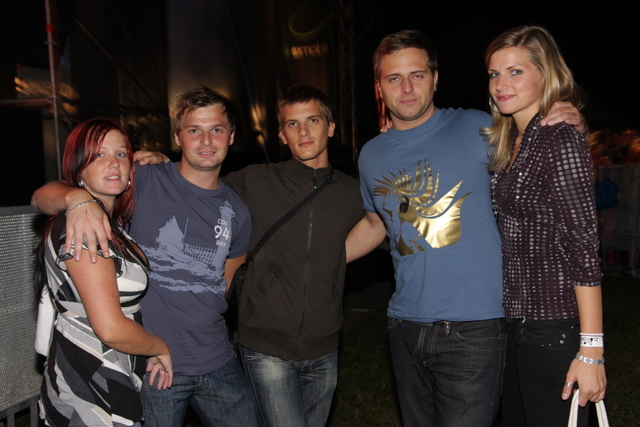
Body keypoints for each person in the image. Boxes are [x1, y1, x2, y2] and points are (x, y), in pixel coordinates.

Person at [344, 29, 587, 427]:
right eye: (394, 78)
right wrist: (320, 260)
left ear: (435, 79)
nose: (407, 88)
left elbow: (542, 151)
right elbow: (376, 224)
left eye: (417, 75)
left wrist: (569, 118)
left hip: (475, 327)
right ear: (379, 87)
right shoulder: (371, 154)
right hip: (405, 325)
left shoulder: (482, 128)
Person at [31, 86, 261, 427]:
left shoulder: (237, 211)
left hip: (216, 357)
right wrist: (76, 198)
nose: (206, 140)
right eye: (193, 130)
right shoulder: (140, 179)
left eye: (217, 129)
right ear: (177, 137)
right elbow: (42, 195)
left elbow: (224, 284)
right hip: (151, 364)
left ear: (231, 136)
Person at [482, 25, 606, 426]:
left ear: (545, 74)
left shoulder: (559, 139)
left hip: (555, 326)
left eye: (516, 71)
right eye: (494, 74)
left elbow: (583, 245)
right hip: (517, 325)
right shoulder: (511, 141)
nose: (501, 84)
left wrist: (591, 351)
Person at [222, 84, 363, 427]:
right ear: (282, 135)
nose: (303, 132)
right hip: (265, 345)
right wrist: (159, 165)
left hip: (325, 347)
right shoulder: (255, 180)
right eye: (292, 124)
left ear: (331, 127)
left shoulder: (352, 192)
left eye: (313, 120)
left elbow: (383, 224)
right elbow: (194, 186)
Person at [38, 119, 173, 427]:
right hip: (90, 386)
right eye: (99, 154)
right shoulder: (84, 225)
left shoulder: (110, 223)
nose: (113, 163)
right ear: (78, 169)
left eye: (121, 154)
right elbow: (110, 328)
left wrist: (162, 159)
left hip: (107, 374)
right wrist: (160, 347)